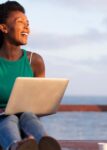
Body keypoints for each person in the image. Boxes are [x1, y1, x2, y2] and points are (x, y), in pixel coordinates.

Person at [0, 1, 61, 150]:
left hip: (27, 124)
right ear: (4, 28)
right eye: (20, 22)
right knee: (9, 118)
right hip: (1, 122)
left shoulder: (35, 61)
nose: (27, 26)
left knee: (28, 115)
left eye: (27, 23)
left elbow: (39, 104)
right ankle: (16, 146)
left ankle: (45, 143)